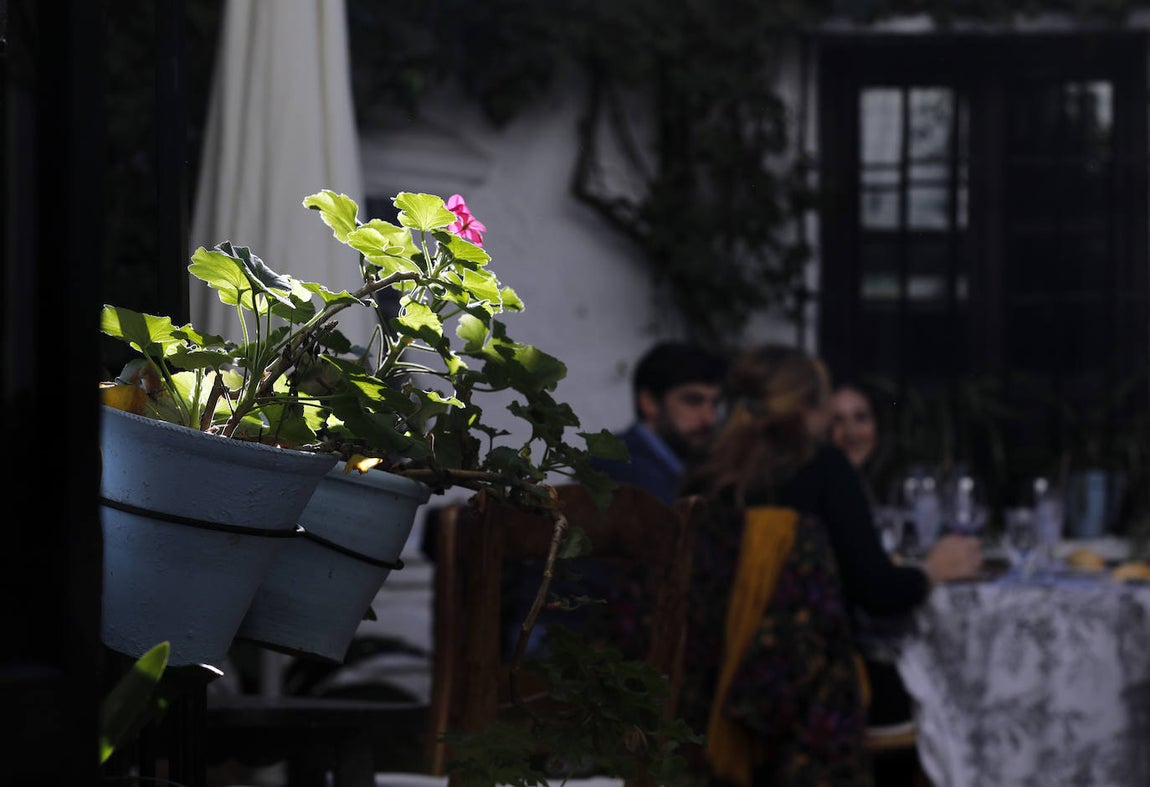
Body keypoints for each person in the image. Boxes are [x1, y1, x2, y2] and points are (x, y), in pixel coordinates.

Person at [679, 344, 982, 786]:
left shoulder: (703, 473)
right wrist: (934, 569)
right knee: (946, 697)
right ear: (808, 410)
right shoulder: (822, 467)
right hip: (808, 695)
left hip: (706, 683)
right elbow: (878, 593)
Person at [591, 341, 728, 503]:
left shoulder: (686, 464)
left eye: (715, 404)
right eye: (693, 401)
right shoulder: (624, 468)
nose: (710, 419)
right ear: (649, 402)